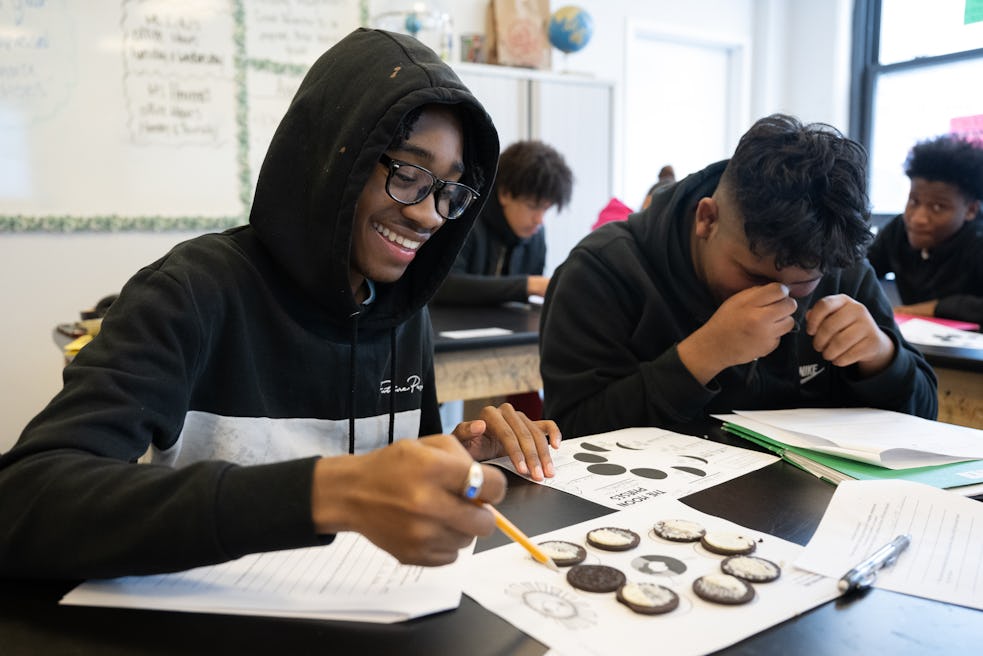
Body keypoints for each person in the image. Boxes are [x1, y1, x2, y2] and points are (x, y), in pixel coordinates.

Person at [0, 28, 561, 580]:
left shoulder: (402, 314)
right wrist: (327, 492)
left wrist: (458, 459)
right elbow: (26, 500)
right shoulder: (191, 293)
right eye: (409, 174)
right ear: (330, 158)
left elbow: (401, 476)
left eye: (448, 190)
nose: (428, 215)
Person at [540, 114, 937, 439]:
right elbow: (570, 432)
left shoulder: (834, 257)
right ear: (707, 219)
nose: (779, 299)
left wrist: (881, 358)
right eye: (753, 276)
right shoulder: (602, 269)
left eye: (802, 286)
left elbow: (923, 416)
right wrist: (702, 356)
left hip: (812, 515)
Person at [431, 139, 573, 305]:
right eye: (533, 206)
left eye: (546, 209)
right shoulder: (464, 216)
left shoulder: (536, 234)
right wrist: (528, 285)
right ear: (505, 193)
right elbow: (443, 285)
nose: (539, 220)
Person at [866, 135, 983, 325]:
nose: (918, 218)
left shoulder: (978, 240)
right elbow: (861, 269)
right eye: (914, 201)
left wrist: (934, 308)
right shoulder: (898, 230)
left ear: (970, 210)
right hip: (918, 347)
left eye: (938, 207)